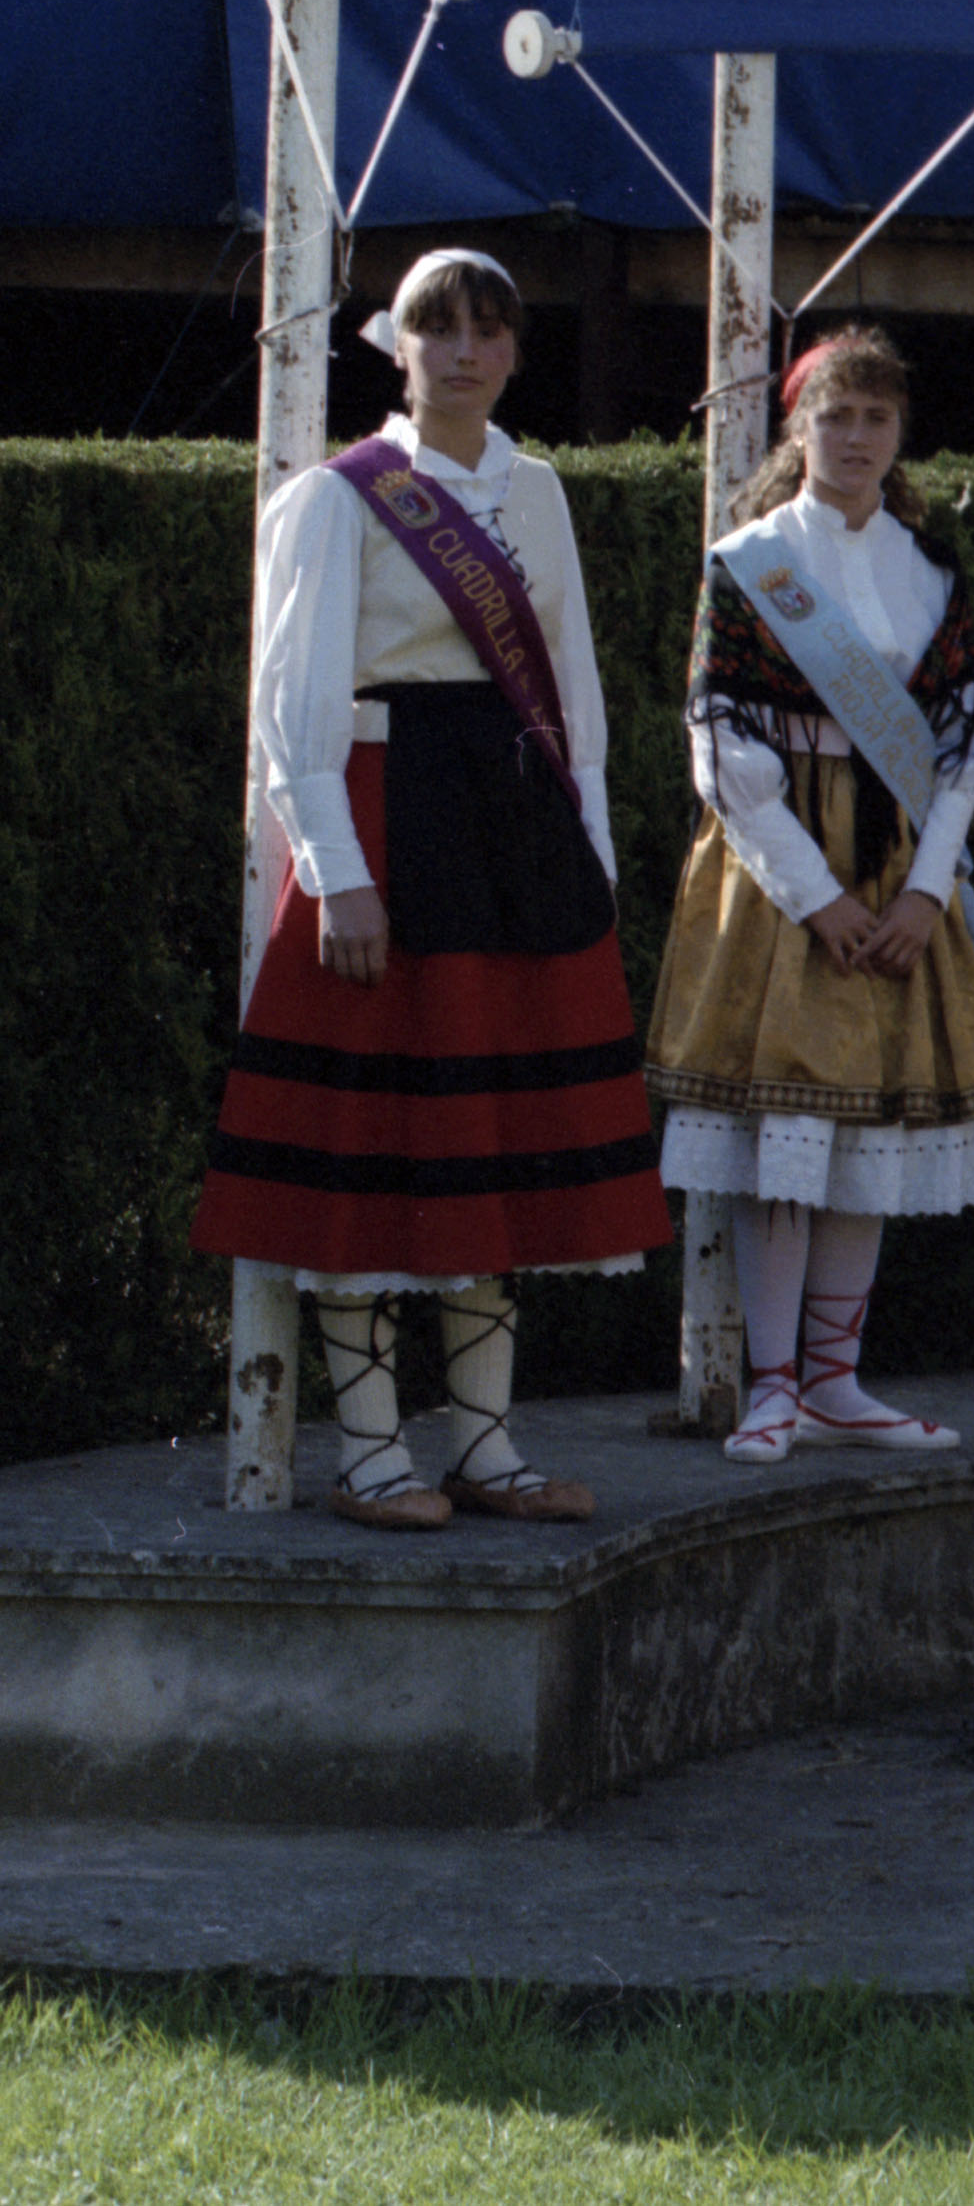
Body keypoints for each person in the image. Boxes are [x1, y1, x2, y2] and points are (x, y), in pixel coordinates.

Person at [192, 247, 667, 1525]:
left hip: (513, 829)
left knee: (489, 1138)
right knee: (375, 1139)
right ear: (393, 345)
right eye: (437, 327)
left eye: (488, 328)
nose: (464, 350)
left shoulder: (539, 488)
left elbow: (572, 690)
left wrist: (591, 854)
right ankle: (369, 1454)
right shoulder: (337, 495)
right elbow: (291, 699)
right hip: (385, 817)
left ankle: (487, 1450)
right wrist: (335, 871)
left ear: (513, 348)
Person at [641, 322, 974, 1463]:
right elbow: (716, 740)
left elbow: (967, 743)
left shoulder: (932, 569)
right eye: (834, 415)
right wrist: (816, 896)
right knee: (787, 1130)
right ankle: (773, 1387)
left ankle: (838, 1383)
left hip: (898, 868)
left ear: (899, 432)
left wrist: (926, 893)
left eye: (875, 417)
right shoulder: (749, 562)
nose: (855, 436)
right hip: (782, 870)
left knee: (868, 1131)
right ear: (798, 428)